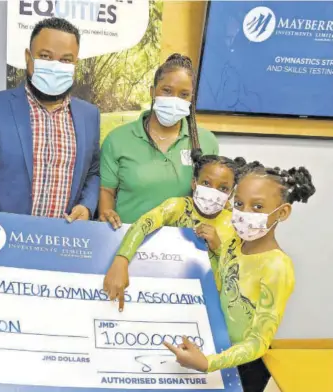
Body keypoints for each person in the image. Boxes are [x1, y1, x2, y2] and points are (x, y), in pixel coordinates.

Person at [162, 164, 316, 392]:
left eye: (257, 206)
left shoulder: (277, 266)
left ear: (282, 212)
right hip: (215, 345)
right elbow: (222, 278)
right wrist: (214, 249)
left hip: (247, 366)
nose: (245, 213)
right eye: (239, 204)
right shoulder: (234, 243)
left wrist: (208, 363)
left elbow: (259, 342)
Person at [0, 17, 99, 221]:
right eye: (45, 56)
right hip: (3, 239)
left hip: (64, 240)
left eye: (66, 60)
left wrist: (86, 205)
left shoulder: (89, 115)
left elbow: (93, 172)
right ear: (28, 57)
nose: (55, 66)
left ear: (76, 63)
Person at [104, 155, 247, 309]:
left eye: (223, 188)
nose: (213, 192)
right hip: (170, 295)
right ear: (194, 183)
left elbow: (241, 274)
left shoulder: (235, 224)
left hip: (211, 305)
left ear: (231, 193)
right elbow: (142, 224)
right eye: (206, 183)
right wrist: (121, 260)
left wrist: (219, 248)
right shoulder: (178, 208)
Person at [99, 54, 219, 225]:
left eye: (183, 94)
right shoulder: (118, 139)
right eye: (167, 91)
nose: (174, 100)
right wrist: (106, 214)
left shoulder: (206, 141)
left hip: (183, 242)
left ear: (191, 99)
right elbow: (107, 191)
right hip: (128, 241)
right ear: (152, 91)